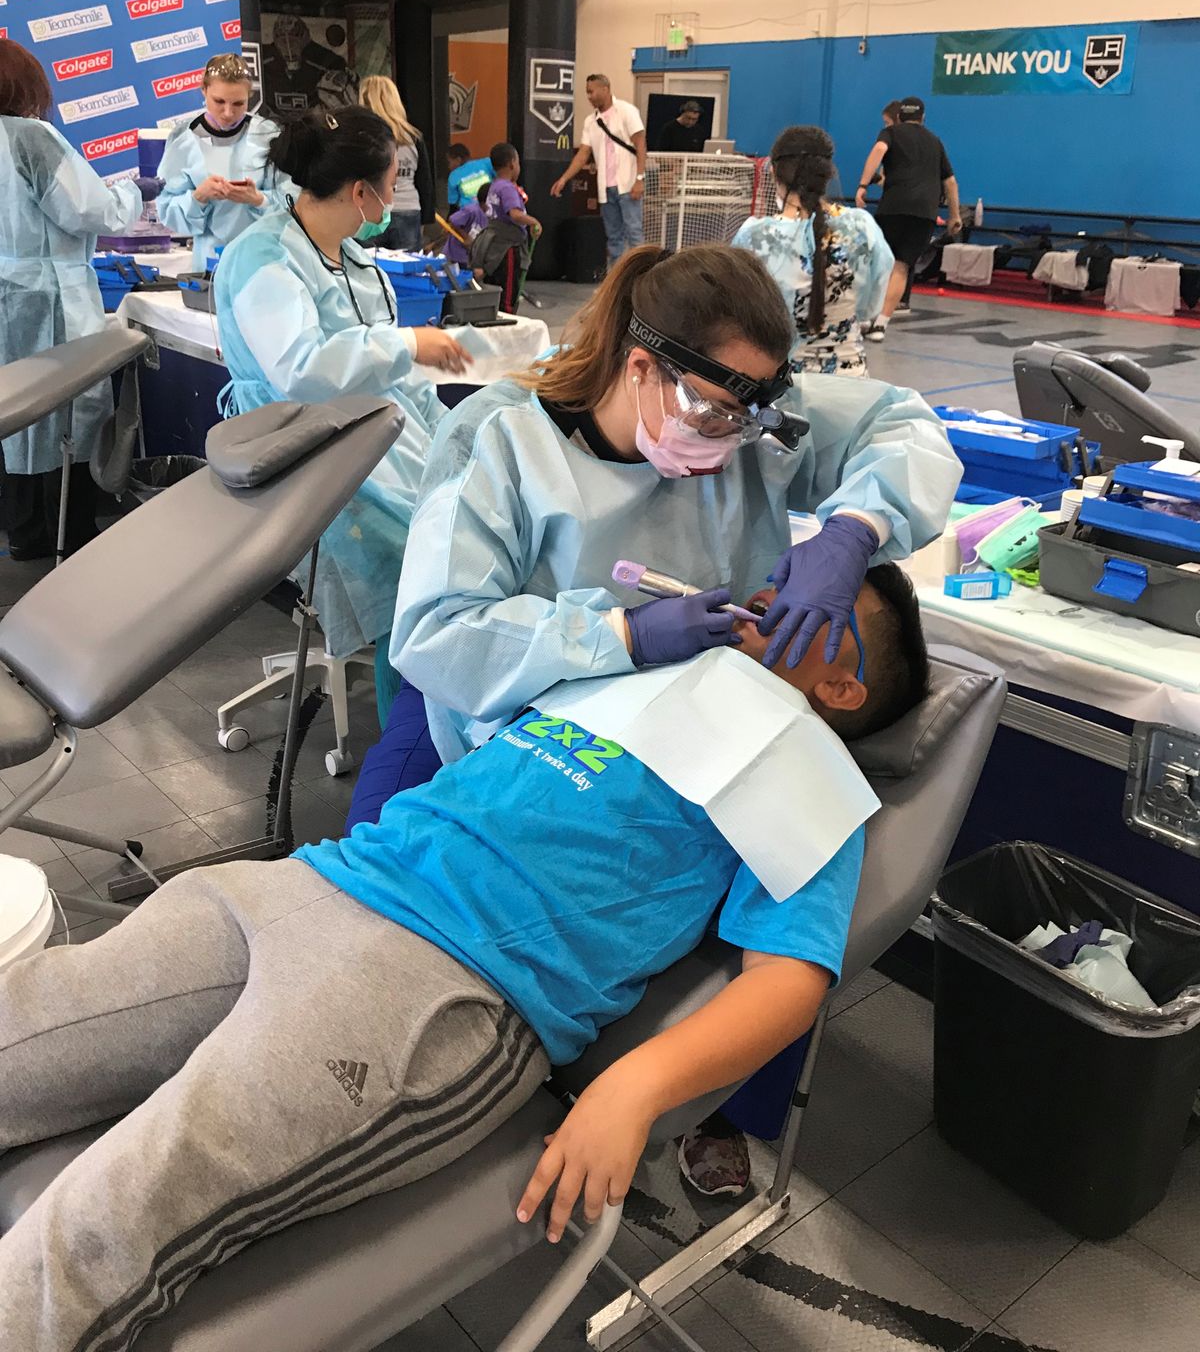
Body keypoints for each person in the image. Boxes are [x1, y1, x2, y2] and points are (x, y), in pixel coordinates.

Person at [0, 563, 929, 1352]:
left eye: (813, 612)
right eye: (778, 583)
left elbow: (789, 982)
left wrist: (635, 1088)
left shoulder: (809, 773)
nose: (769, 602)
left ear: (843, 690)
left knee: (105, 1219)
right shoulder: (638, 669)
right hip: (308, 883)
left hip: (438, 987)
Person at [381, 242, 959, 789]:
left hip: (664, 741)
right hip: (515, 724)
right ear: (640, 368)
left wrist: (856, 530)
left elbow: (905, 428)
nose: (732, 443)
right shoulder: (503, 440)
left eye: (749, 421)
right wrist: (622, 634)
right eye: (713, 414)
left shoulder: (748, 415)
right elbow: (441, 637)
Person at [212, 106, 472, 716]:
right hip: (300, 453)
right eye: (389, 185)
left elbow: (389, 378)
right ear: (362, 192)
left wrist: (452, 436)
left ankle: (452, 713)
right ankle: (408, 741)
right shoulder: (264, 258)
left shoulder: (350, 256)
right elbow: (303, 369)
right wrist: (409, 343)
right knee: (414, 577)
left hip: (366, 441)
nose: (392, 197)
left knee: (462, 528)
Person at [0, 39, 157, 559]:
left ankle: (24, 536)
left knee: (12, 417)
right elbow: (92, 211)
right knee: (67, 416)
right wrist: (136, 191)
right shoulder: (32, 139)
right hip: (49, 300)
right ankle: (69, 540)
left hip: (9, 298)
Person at [733, 126, 894, 377]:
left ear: (774, 171)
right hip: (851, 381)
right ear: (827, 174)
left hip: (779, 387)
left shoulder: (754, 237)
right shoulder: (862, 227)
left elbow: (739, 315)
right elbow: (870, 307)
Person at [157, 53, 292, 272]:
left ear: (250, 95)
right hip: (211, 266)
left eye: (238, 103)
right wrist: (198, 197)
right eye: (219, 101)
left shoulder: (268, 136)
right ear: (204, 90)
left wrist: (258, 200)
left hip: (264, 262)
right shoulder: (185, 138)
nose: (228, 113)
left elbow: (294, 202)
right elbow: (166, 208)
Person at [855, 95, 961, 342]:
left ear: (899, 117)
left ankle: (862, 319)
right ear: (923, 118)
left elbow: (879, 150)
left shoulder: (891, 134)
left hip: (892, 208)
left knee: (878, 263)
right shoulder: (936, 142)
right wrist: (954, 215)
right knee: (901, 266)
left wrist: (862, 185)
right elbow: (951, 182)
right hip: (924, 213)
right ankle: (881, 325)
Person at [550, 73, 646, 264]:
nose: (589, 96)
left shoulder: (627, 111)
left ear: (605, 89)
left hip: (627, 183)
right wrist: (564, 178)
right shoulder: (590, 121)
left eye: (591, 91)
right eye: (587, 92)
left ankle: (642, 276)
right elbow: (583, 154)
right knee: (613, 237)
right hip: (606, 188)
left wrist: (639, 178)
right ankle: (615, 280)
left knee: (634, 233)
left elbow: (640, 144)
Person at [358, 76, 434, 251]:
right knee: (407, 272)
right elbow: (425, 182)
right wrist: (425, 218)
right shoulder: (413, 136)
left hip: (370, 211)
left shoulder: (361, 137)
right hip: (409, 208)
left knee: (369, 272)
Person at [474, 142, 542, 312]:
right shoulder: (508, 188)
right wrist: (534, 221)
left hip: (492, 245)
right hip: (507, 248)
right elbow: (515, 214)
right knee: (508, 294)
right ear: (512, 163)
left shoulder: (494, 186)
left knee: (494, 289)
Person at [442, 181, 490, 269]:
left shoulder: (490, 216)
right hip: (456, 255)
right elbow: (453, 220)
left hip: (470, 257)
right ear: (485, 202)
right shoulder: (472, 210)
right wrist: (466, 237)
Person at [446, 142, 494, 210]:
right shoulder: (486, 162)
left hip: (469, 212)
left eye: (449, 162)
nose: (448, 166)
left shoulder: (453, 176)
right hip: (490, 207)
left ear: (458, 160)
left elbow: (453, 204)